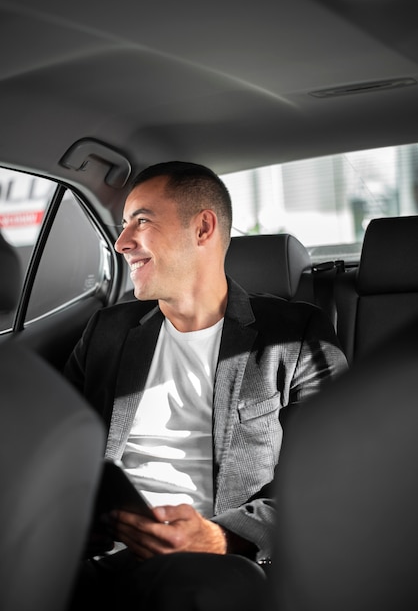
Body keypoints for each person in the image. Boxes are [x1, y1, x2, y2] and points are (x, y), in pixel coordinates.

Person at [65, 161, 347, 610]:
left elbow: (335, 482)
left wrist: (220, 537)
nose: (121, 243)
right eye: (123, 226)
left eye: (141, 221)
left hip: (223, 562)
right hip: (99, 550)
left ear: (203, 228)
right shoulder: (108, 330)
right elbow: (60, 447)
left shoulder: (294, 335)